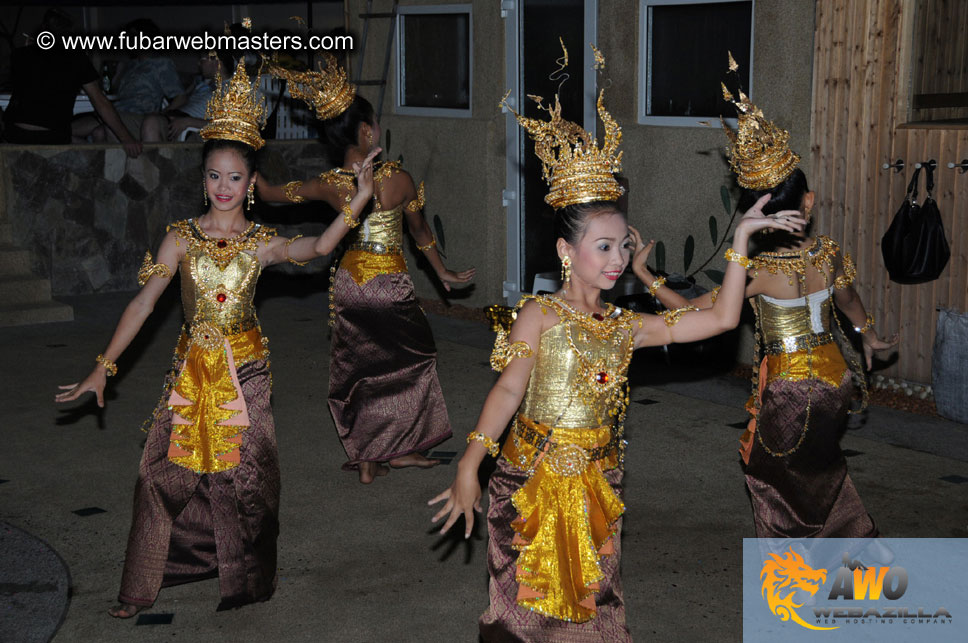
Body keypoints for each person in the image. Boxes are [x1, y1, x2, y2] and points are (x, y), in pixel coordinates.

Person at [428, 44, 804, 640]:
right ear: (565, 251)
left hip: (600, 483)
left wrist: (742, 237)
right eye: (603, 246)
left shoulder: (626, 325)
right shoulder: (540, 316)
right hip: (532, 481)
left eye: (623, 245)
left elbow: (722, 319)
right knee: (526, 612)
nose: (618, 259)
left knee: (595, 608)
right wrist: (470, 465)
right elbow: (507, 390)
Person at [55, 58, 380, 617]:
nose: (223, 187)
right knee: (158, 475)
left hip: (247, 371)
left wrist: (358, 199)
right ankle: (137, 588)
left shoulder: (259, 240)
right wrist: (102, 366)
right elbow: (143, 303)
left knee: (248, 479)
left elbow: (318, 250)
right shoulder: (179, 239)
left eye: (234, 177)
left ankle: (247, 576)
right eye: (213, 175)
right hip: (190, 370)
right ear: (202, 178)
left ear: (251, 183)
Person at [633, 57, 898, 538]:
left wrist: (646, 277)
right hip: (836, 379)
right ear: (809, 202)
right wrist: (870, 337)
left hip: (791, 390)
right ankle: (853, 542)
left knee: (769, 477)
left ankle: (794, 575)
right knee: (821, 467)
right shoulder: (830, 254)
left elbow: (696, 313)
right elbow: (852, 306)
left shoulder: (757, 273)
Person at [257, 55, 475, 483]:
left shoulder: (329, 183)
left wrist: (247, 160)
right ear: (366, 131)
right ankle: (395, 450)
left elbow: (271, 193)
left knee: (360, 367)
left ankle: (371, 458)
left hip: (349, 284)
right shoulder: (398, 178)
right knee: (411, 362)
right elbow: (419, 230)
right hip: (388, 283)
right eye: (373, 122)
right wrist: (442, 272)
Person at [2, 8, 140, 157]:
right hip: (52, 136)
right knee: (92, 152)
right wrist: (127, 138)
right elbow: (100, 101)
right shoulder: (75, 58)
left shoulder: (20, 55)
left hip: (16, 134)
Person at [74, 19, 185, 144]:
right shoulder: (131, 65)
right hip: (118, 112)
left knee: (104, 119)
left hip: (138, 115)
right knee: (93, 131)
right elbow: (115, 92)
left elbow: (180, 97)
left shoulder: (161, 64)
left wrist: (161, 115)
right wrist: (117, 72)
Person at [140, 50, 233, 142]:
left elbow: (229, 125)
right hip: (173, 116)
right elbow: (183, 95)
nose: (199, 64)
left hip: (185, 123)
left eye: (202, 59)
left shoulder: (231, 90)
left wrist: (188, 121)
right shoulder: (203, 83)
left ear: (217, 62)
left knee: (151, 123)